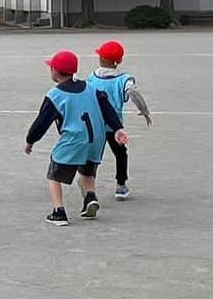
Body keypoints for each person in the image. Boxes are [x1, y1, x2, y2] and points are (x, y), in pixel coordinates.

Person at [24, 50, 128, 226]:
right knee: (87, 170)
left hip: (74, 139)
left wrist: (30, 141)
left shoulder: (55, 95)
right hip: (96, 139)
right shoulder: (91, 88)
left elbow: (41, 122)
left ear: (55, 72)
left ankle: (59, 212)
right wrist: (117, 128)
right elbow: (108, 109)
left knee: (54, 175)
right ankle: (90, 197)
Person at [86, 40, 152, 200]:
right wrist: (144, 110)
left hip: (95, 125)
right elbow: (133, 93)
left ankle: (89, 188)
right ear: (119, 61)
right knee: (121, 154)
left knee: (93, 157)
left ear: (100, 58)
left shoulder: (92, 77)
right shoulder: (124, 79)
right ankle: (121, 186)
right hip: (115, 127)